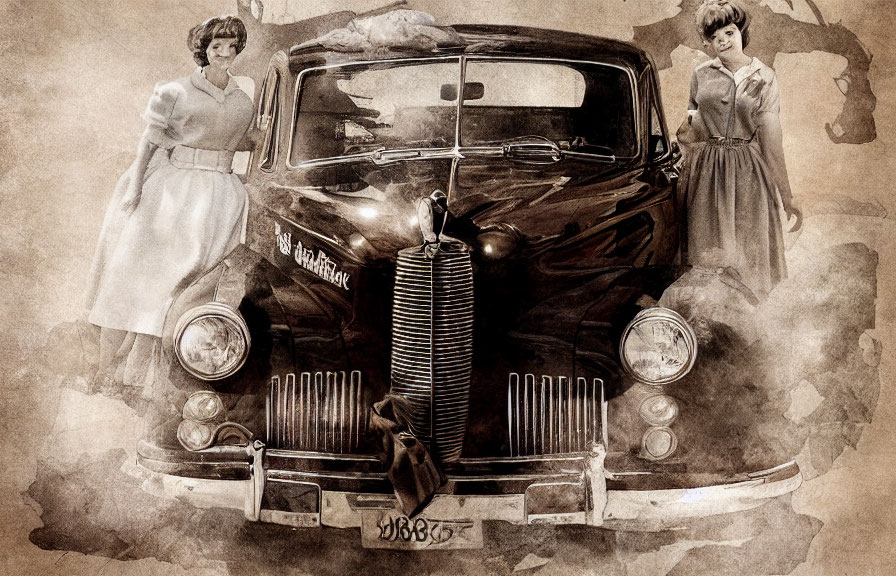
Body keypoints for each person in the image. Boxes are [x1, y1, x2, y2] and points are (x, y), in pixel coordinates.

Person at [84, 15, 254, 383]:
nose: (224, 54)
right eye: (216, 47)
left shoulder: (243, 98)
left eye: (231, 47)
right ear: (203, 51)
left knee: (187, 287)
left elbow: (246, 140)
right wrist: (135, 188)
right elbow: (150, 141)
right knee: (141, 278)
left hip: (222, 196)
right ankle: (106, 371)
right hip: (174, 192)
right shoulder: (174, 91)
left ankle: (154, 378)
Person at [677, 0, 801, 301]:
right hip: (706, 172)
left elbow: (772, 141)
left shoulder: (764, 77)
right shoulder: (701, 74)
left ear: (741, 32)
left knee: (748, 254)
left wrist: (787, 197)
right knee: (707, 253)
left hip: (748, 174)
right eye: (715, 36)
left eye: (729, 32)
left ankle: (746, 329)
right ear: (707, 41)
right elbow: (691, 127)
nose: (723, 40)